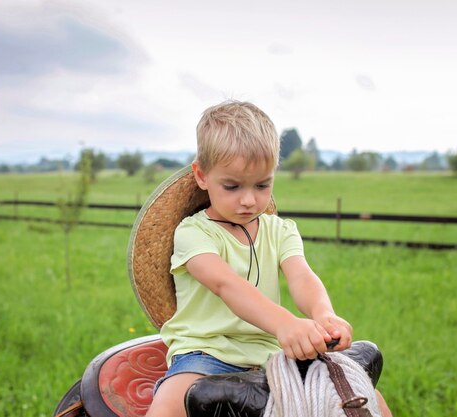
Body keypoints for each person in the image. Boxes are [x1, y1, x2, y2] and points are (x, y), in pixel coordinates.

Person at [145, 100, 391, 417]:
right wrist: (284, 322)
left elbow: (301, 276)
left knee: (367, 397)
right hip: (206, 350)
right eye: (232, 186)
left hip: (270, 351)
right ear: (202, 175)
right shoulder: (194, 233)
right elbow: (225, 284)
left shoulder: (280, 230)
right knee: (170, 405)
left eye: (262, 185)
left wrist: (323, 313)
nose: (249, 200)